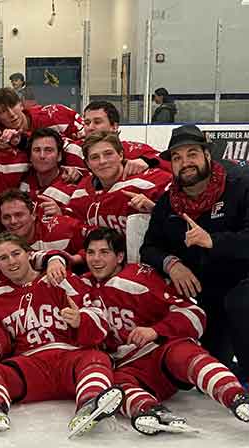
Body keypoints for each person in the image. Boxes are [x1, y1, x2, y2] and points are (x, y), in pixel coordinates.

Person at [0, 232, 121, 436]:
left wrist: (81, 320)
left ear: (28, 254)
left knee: (96, 358)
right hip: (29, 366)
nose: (11, 262)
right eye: (3, 258)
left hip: (70, 358)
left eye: (16, 253)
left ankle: (91, 402)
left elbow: (100, 321)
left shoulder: (59, 280)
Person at [83, 227, 249, 434]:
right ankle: (147, 409)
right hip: (128, 368)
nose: (96, 259)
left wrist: (155, 331)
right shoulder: (83, 285)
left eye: (104, 252)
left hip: (161, 356)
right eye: (91, 252)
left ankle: (235, 395)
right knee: (112, 385)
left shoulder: (138, 278)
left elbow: (194, 313)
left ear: (119, 256)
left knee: (183, 350)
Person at [140, 124, 249, 379]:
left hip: (242, 284)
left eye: (192, 154)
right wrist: (171, 264)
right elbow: (149, 247)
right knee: (208, 369)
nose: (185, 162)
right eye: (177, 158)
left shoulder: (239, 187)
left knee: (240, 303)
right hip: (205, 294)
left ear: (207, 156)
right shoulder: (169, 203)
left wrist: (212, 240)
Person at [68, 131, 171, 234]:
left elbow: (181, 219)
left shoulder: (153, 180)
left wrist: (155, 209)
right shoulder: (81, 192)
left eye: (108, 154)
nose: (102, 161)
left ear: (121, 155)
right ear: (87, 164)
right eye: (95, 157)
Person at [82, 100, 169, 172]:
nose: (90, 127)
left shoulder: (135, 150)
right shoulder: (76, 152)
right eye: (87, 123)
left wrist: (148, 161)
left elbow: (170, 163)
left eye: (97, 122)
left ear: (114, 127)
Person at [0, 87, 84, 141]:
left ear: (21, 105)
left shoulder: (56, 114)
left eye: (13, 106)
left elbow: (91, 141)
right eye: (3, 111)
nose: (11, 114)